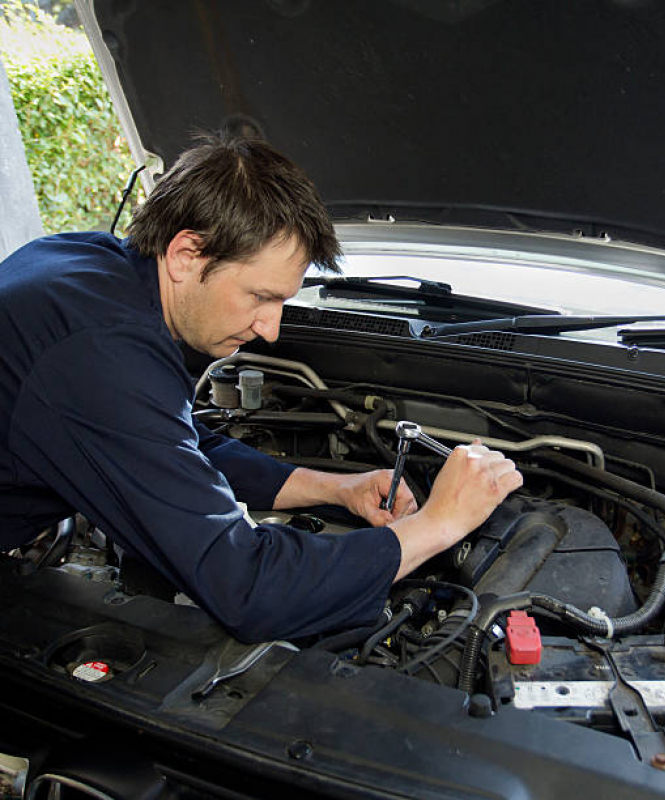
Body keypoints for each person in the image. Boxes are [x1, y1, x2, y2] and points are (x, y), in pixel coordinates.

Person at [0, 133, 522, 642]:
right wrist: (439, 524)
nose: (270, 330)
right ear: (187, 255)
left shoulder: (88, 264)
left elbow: (178, 442)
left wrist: (335, 488)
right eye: (260, 296)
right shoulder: (97, 355)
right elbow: (247, 587)